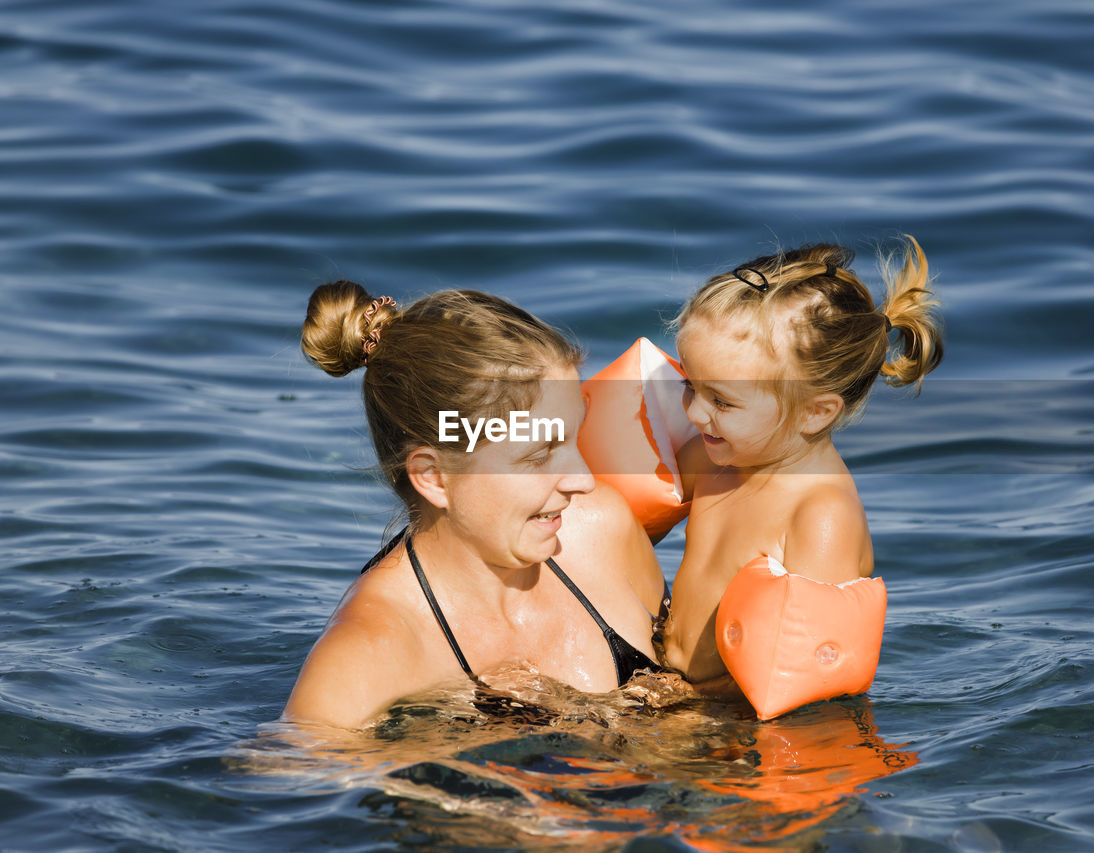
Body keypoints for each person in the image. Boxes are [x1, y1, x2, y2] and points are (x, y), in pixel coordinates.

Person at [283, 281, 666, 730]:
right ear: (434, 477)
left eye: (573, 439)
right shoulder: (366, 656)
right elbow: (285, 787)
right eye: (539, 455)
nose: (583, 479)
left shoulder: (602, 530)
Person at [660, 237, 943, 685]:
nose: (694, 413)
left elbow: (801, 672)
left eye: (722, 401)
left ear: (816, 411)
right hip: (663, 683)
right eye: (690, 386)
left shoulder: (820, 516)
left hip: (724, 722)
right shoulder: (714, 456)